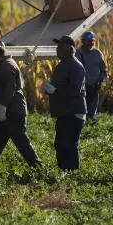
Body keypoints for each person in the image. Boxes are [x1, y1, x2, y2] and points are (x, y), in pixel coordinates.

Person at [0, 41, 41, 167]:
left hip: (13, 111)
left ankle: (38, 167)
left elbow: (10, 88)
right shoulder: (4, 64)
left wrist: (3, 106)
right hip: (7, 112)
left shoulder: (7, 67)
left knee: (21, 141)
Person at [40, 35, 86, 171]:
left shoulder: (76, 66)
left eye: (61, 46)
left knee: (69, 145)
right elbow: (59, 87)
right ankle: (63, 172)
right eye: (57, 46)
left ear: (71, 49)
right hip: (64, 113)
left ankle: (72, 175)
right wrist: (48, 89)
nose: (57, 49)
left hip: (73, 112)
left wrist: (55, 91)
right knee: (60, 144)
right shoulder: (62, 65)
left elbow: (75, 90)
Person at [75, 31, 107, 124]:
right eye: (89, 41)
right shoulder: (76, 54)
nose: (91, 43)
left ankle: (91, 129)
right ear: (83, 41)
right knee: (81, 112)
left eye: (92, 41)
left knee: (92, 112)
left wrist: (100, 82)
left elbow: (104, 70)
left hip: (94, 87)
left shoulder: (97, 53)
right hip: (81, 88)